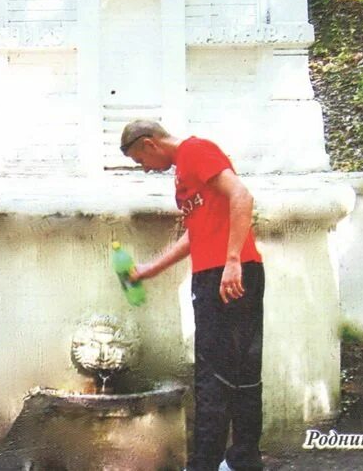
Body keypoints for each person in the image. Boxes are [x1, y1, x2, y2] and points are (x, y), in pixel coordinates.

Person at [120, 120, 265, 471]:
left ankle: (205, 464)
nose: (145, 168)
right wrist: (149, 269)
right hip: (219, 272)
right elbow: (196, 234)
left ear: (150, 144)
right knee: (237, 373)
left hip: (226, 273)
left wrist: (232, 261)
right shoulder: (184, 168)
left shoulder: (196, 150)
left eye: (141, 161)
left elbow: (241, 196)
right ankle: (243, 462)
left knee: (214, 375)